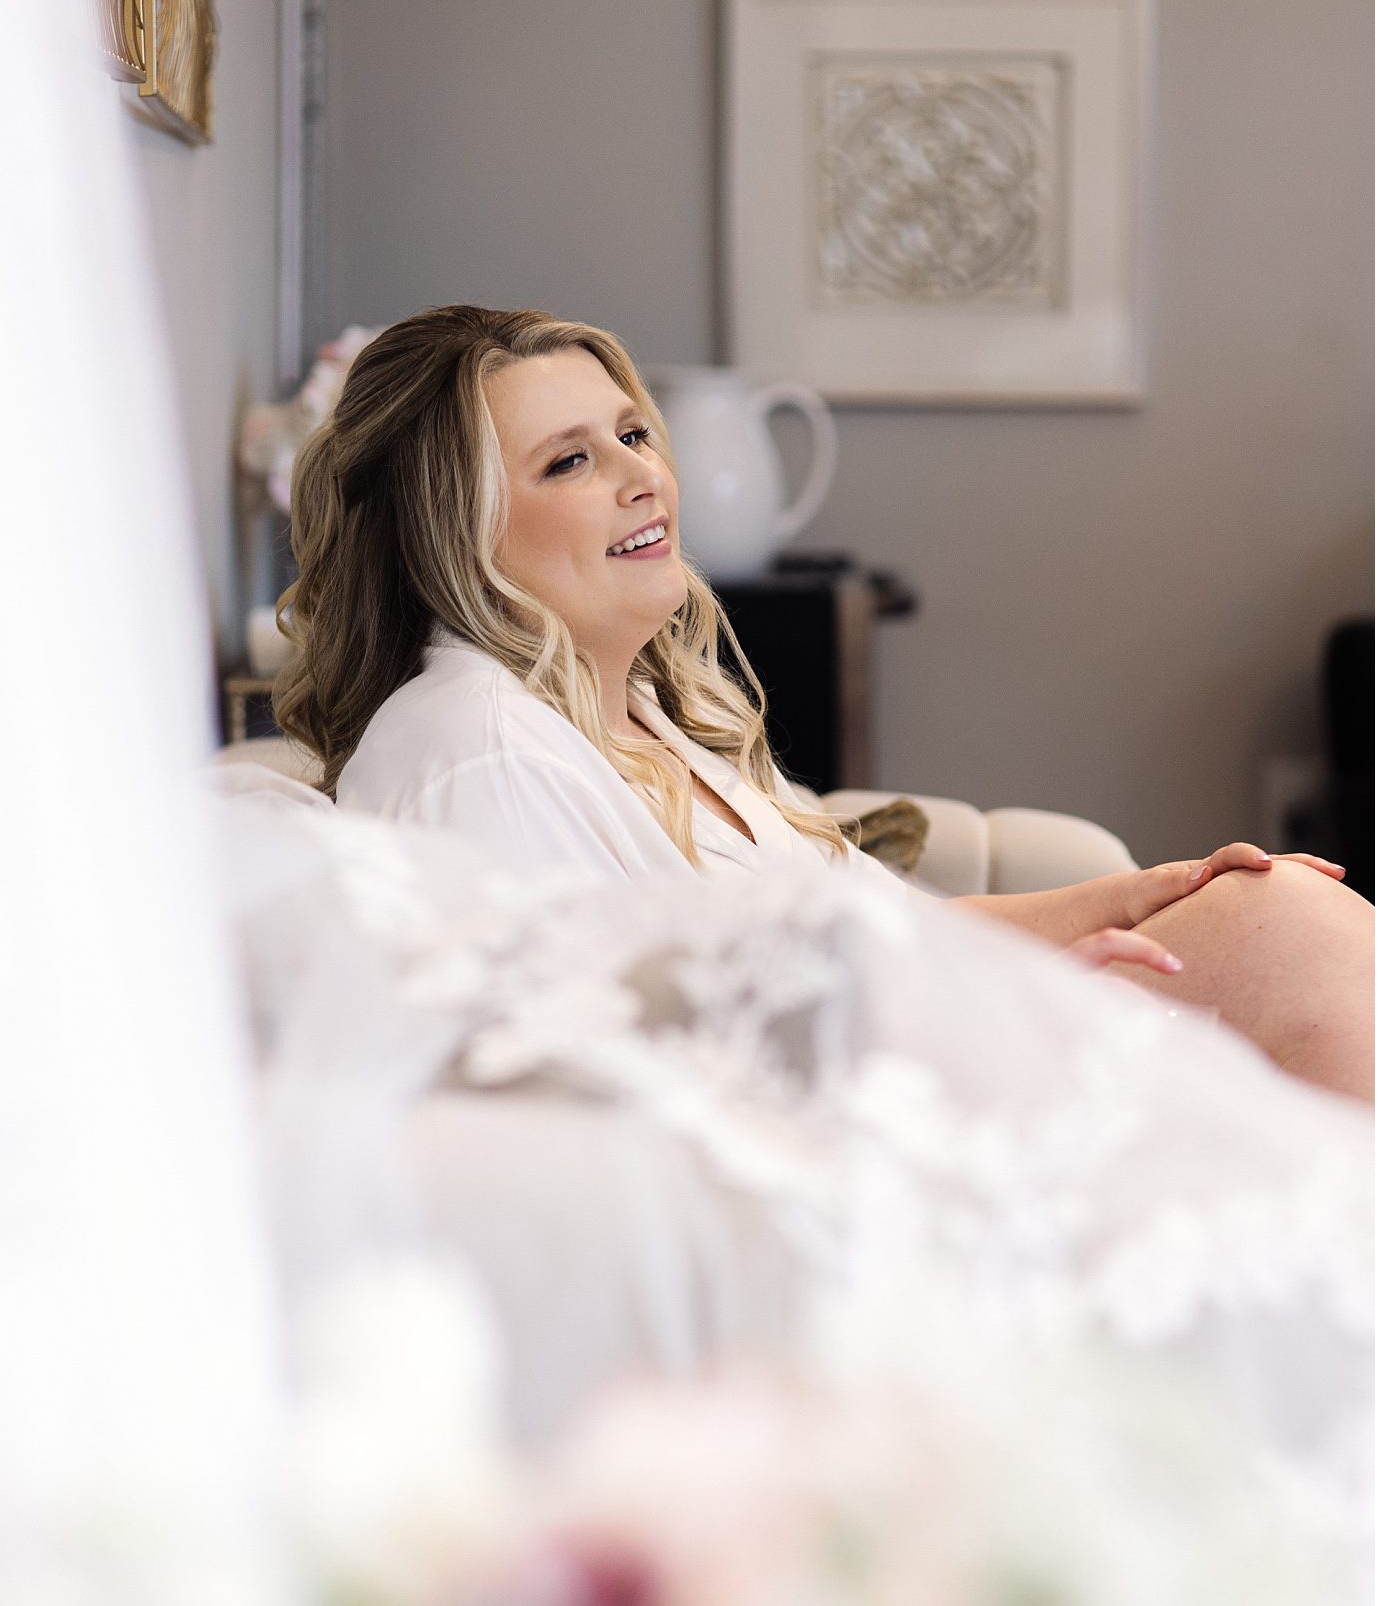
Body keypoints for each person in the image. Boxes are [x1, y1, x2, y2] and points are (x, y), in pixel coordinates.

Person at [275, 306, 1372, 1103]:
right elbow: (597, 1082)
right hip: (845, 1143)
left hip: (894, 1073)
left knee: (1282, 922)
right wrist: (987, 1030)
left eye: (633, 434)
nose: (642, 476)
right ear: (451, 533)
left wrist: (1135, 897)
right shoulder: (479, 749)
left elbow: (883, 929)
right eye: (569, 462)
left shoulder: (637, 719)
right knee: (1304, 949)